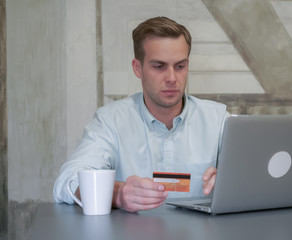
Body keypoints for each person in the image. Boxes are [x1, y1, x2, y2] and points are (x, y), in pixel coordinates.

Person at [53, 16, 229, 212]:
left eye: (180, 66)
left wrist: (234, 180)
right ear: (138, 68)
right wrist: (117, 194)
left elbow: (258, 178)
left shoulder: (218, 120)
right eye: (159, 66)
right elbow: (66, 183)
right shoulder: (111, 121)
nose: (172, 78)